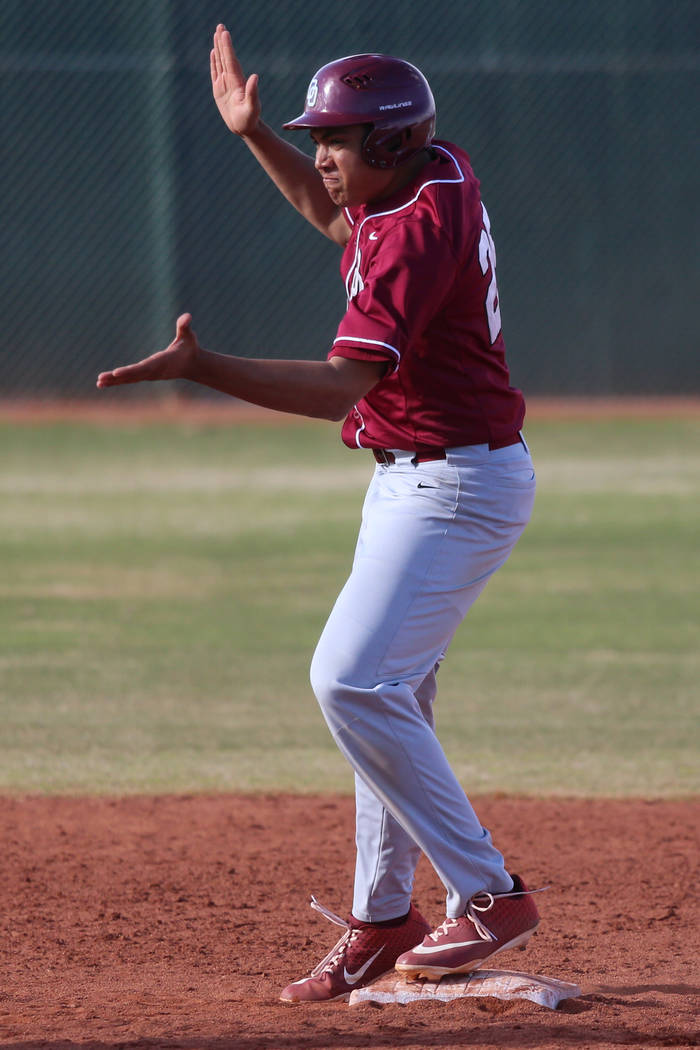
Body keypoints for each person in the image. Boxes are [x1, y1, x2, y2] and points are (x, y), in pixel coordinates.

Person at [97, 23, 541, 1004]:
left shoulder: (413, 233)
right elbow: (342, 219)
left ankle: (490, 893)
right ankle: (384, 917)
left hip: (453, 487)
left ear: (388, 145)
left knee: (349, 684)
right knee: (390, 697)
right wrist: (257, 136)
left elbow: (342, 383)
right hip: (418, 477)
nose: (323, 155)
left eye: (336, 139)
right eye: (319, 137)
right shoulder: (435, 171)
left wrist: (203, 368)